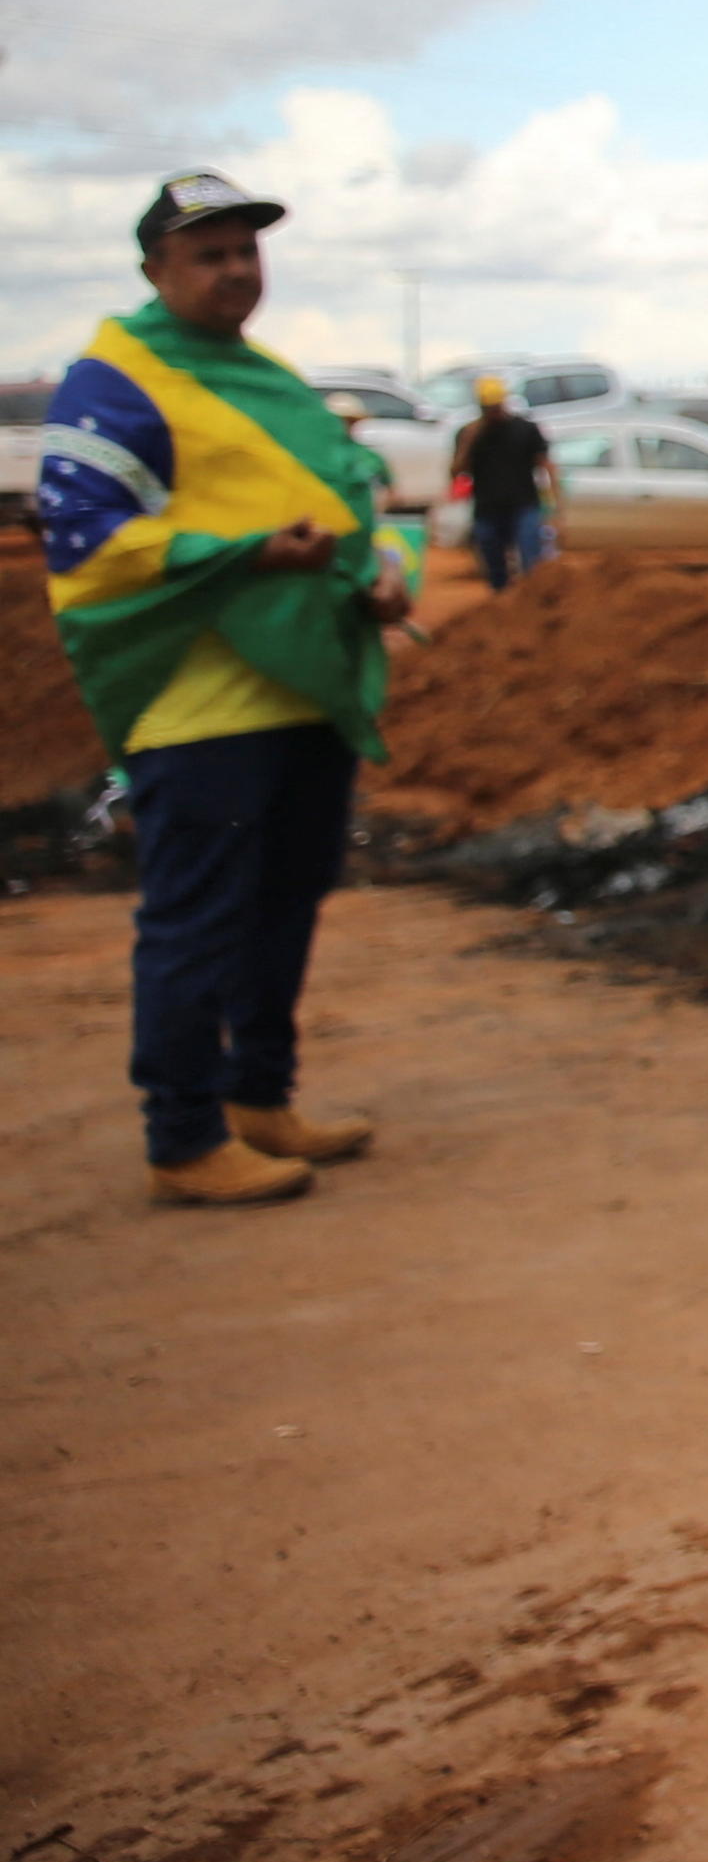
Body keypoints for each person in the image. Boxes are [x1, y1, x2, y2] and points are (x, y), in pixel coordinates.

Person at [35, 171, 409, 1207]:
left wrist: (381, 577)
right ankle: (183, 1136)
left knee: (287, 900)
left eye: (248, 250)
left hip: (304, 690)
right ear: (156, 268)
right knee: (196, 918)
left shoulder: (268, 378)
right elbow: (82, 539)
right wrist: (245, 554)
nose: (237, 271)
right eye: (211, 254)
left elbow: (345, 501)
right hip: (200, 703)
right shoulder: (118, 382)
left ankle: (261, 1096)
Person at [449, 374, 557, 592]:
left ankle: (530, 604)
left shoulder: (525, 430)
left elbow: (547, 466)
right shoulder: (469, 434)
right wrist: (468, 443)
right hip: (487, 509)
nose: (493, 413)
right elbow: (456, 472)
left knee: (531, 561)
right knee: (494, 567)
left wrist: (554, 507)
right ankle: (501, 607)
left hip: (524, 505)